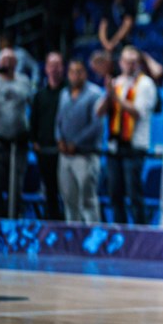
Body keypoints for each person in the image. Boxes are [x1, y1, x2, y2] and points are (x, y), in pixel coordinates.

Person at [97, 46, 157, 225]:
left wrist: (115, 97)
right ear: (120, 63)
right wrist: (108, 95)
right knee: (115, 193)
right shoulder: (116, 83)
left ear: (138, 64)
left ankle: (140, 233)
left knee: (134, 194)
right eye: (126, 61)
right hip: (115, 145)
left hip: (135, 145)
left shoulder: (145, 83)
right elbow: (99, 112)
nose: (130, 65)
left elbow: (137, 112)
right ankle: (119, 232)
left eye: (133, 62)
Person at [55, 60, 104, 224]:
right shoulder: (64, 94)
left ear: (86, 73)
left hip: (85, 155)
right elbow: (58, 121)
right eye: (72, 71)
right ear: (68, 74)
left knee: (87, 201)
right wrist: (59, 139)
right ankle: (72, 239)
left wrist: (75, 143)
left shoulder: (95, 94)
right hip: (65, 156)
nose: (76, 75)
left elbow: (96, 125)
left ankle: (93, 239)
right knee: (69, 200)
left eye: (79, 71)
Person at [0, 48, 33, 218]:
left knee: (16, 190)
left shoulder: (24, 81)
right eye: (3, 61)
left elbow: (32, 105)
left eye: (10, 60)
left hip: (18, 144)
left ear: (15, 63)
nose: (6, 64)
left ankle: (14, 226)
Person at [30, 52, 66, 220]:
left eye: (57, 65)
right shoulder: (40, 95)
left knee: (66, 191)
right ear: (45, 68)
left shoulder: (67, 94)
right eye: (51, 65)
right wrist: (35, 141)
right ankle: (52, 225)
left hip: (64, 150)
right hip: (44, 150)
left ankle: (69, 228)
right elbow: (33, 120)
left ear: (63, 68)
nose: (54, 69)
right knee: (49, 191)